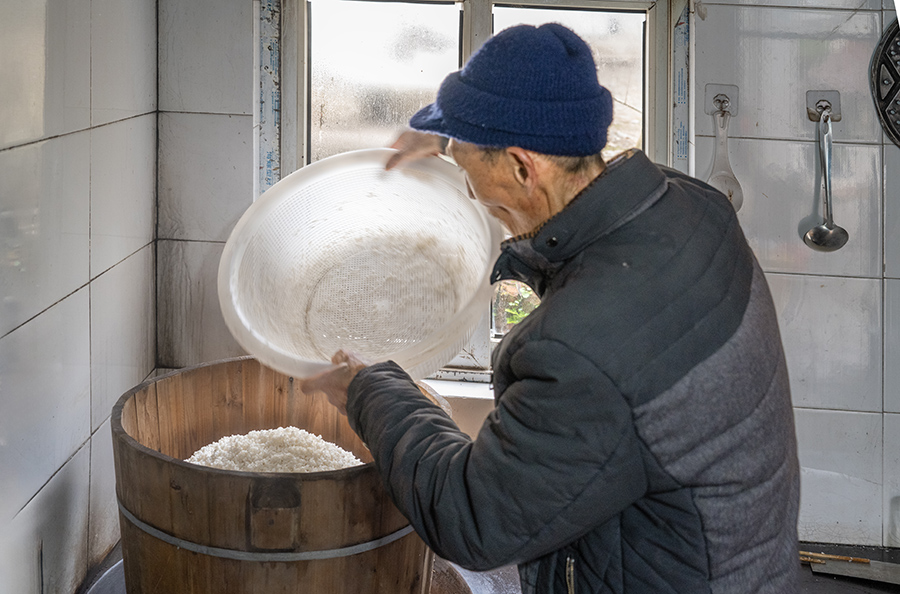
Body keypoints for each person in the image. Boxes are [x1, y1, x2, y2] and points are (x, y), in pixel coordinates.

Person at [302, 22, 800, 594]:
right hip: (742, 558)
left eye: (469, 173)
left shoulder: (578, 354)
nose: (468, 194)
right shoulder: (689, 208)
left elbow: (472, 517)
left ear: (521, 166)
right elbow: (574, 241)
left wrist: (371, 390)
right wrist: (447, 138)